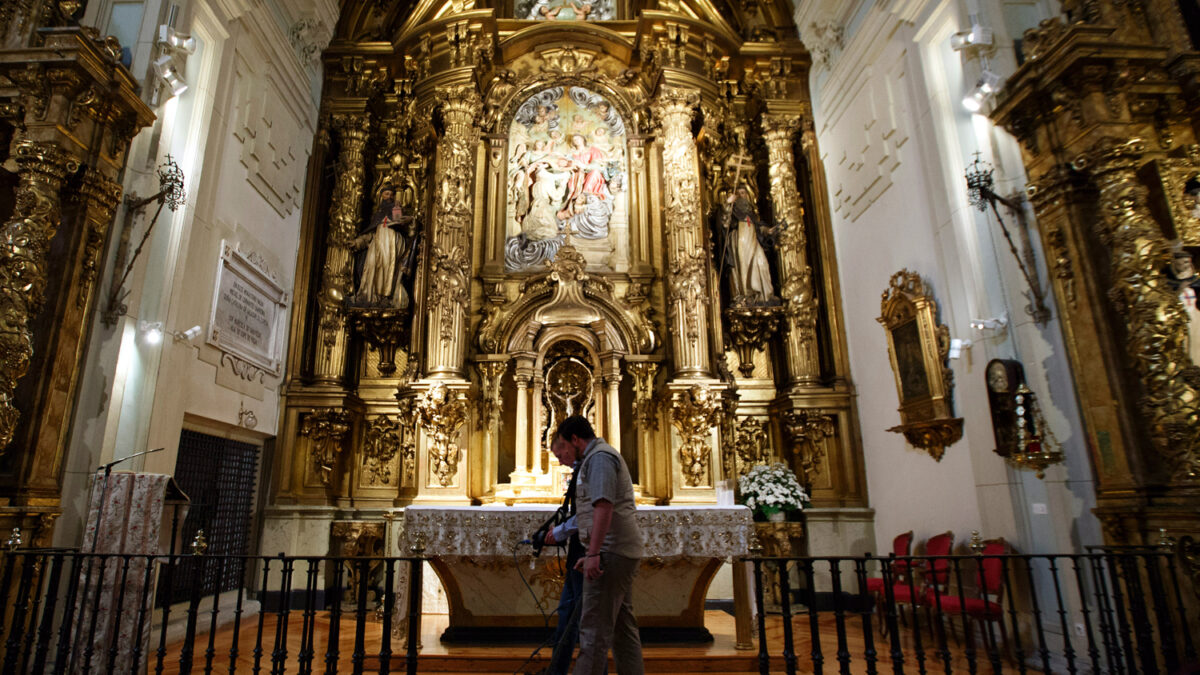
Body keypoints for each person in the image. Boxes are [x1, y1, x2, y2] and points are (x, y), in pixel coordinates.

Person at [553, 416, 644, 675]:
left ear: (575, 439)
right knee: (622, 629)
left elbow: (603, 506)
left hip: (611, 551)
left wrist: (593, 553)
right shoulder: (595, 458)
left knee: (593, 632)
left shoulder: (600, 458)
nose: (565, 456)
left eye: (565, 448)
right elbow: (591, 511)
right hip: (615, 551)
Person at [540, 435, 590, 675]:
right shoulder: (583, 467)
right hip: (579, 550)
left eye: (561, 455)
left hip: (588, 551)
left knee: (584, 617)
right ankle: (556, 670)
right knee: (568, 612)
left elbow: (592, 512)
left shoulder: (595, 464)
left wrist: (560, 531)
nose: (560, 462)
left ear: (574, 442)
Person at [354, 185, 415, 307]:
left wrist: (398, 209)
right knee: (371, 265)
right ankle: (371, 297)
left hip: (391, 241)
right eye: (387, 194)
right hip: (377, 243)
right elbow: (370, 234)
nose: (389, 197)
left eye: (391, 195)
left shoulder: (396, 208)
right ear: (382, 196)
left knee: (388, 265)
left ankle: (386, 296)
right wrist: (358, 242)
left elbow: (400, 223)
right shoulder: (378, 214)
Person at [719, 185, 778, 306]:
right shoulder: (733, 210)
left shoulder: (751, 213)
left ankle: (765, 295)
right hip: (740, 239)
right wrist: (727, 204)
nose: (742, 196)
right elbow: (724, 221)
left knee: (762, 263)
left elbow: (758, 226)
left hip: (753, 240)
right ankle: (747, 295)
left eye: (744, 193)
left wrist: (767, 230)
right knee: (743, 267)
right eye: (739, 193)